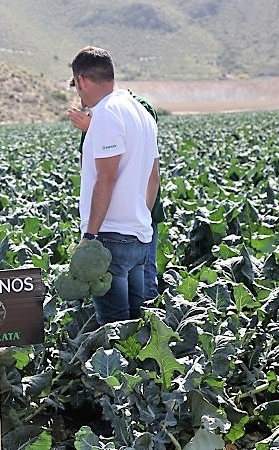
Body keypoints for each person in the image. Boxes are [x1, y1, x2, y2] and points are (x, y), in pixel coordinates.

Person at [69, 46, 160, 325]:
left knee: (114, 326)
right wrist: (139, 217)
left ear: (82, 80)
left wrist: (90, 236)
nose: (78, 94)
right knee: (136, 323)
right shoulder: (140, 111)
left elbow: (105, 178)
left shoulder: (107, 113)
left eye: (76, 86)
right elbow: (153, 175)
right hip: (139, 235)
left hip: (112, 238)